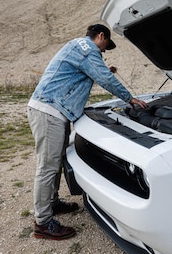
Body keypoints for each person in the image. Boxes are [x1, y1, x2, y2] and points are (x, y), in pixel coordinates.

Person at [27, 24, 148, 240]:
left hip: (55, 110)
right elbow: (105, 79)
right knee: (47, 166)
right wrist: (130, 99)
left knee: (55, 162)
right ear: (100, 36)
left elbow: (88, 73)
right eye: (104, 47)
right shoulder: (88, 49)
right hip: (49, 112)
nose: (103, 52)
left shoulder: (78, 48)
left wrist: (103, 70)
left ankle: (51, 203)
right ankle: (43, 223)